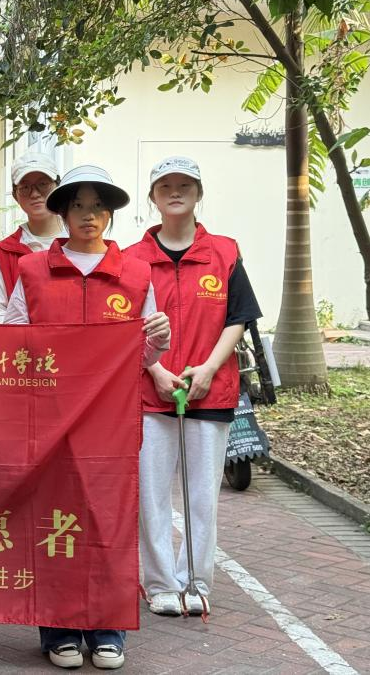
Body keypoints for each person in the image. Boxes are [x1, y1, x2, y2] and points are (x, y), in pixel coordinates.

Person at [4, 164, 171, 671]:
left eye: (98, 206)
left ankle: (107, 629)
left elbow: (142, 354)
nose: (88, 215)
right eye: (77, 205)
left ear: (111, 213)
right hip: (48, 420)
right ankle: (58, 630)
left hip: (111, 424)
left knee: (108, 520)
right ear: (62, 212)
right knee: (52, 521)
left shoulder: (136, 273)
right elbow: (13, 340)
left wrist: (157, 343)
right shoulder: (33, 270)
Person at [125, 156, 261, 618]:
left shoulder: (225, 252)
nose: (176, 192)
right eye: (166, 185)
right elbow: (126, 324)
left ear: (199, 193)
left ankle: (197, 582)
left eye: (185, 185)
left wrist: (207, 369)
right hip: (150, 394)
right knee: (151, 497)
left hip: (211, 391)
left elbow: (239, 317)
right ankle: (161, 583)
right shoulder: (131, 259)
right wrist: (156, 370)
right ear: (153, 197)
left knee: (202, 497)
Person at [0, 152, 64, 322]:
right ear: (15, 195)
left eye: (43, 184)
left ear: (58, 187)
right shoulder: (3, 253)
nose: (35, 194)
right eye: (25, 187)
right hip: (22, 339)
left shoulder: (80, 241)